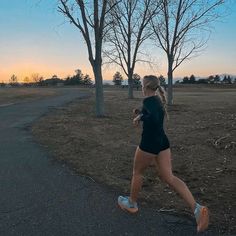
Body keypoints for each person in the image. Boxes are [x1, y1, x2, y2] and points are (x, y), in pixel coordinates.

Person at [118, 75, 209, 233]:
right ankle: (197, 209)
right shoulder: (157, 100)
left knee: (137, 172)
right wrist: (140, 114)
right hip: (163, 143)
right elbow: (153, 114)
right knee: (169, 177)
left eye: (141, 84)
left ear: (145, 86)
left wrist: (142, 117)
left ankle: (132, 204)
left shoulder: (149, 101)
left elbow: (152, 117)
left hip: (149, 144)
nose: (140, 86)